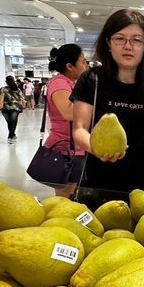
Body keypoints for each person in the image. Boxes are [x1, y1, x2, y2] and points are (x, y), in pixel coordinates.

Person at [71, 8, 144, 211]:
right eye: (120, 38)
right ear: (108, 43)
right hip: (101, 177)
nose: (128, 46)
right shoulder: (92, 79)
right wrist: (97, 149)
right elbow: (79, 129)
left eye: (136, 40)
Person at [44, 44, 89, 197]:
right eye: (83, 61)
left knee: (73, 193)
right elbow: (68, 112)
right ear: (70, 66)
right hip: (65, 147)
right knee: (65, 197)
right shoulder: (59, 83)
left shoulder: (72, 82)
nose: (86, 65)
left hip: (75, 146)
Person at [0, 76, 25, 144]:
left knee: (9, 122)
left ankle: (10, 136)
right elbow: (22, 98)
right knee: (13, 121)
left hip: (5, 108)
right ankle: (12, 135)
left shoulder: (3, 89)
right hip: (15, 107)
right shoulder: (17, 89)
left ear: (6, 82)